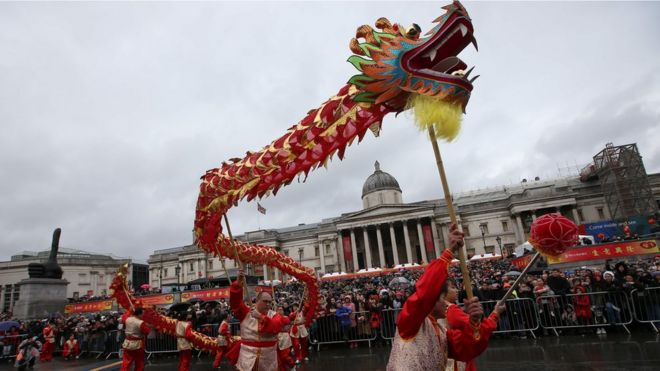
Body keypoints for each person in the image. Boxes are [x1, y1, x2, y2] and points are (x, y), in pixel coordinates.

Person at [387, 224, 504, 371]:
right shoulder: (411, 322)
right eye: (443, 298)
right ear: (433, 300)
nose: (446, 303)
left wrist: (474, 321)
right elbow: (425, 294)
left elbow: (467, 348)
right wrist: (449, 252)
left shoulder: (442, 331)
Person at [231, 269, 288, 371]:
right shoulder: (246, 312)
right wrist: (237, 285)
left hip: (268, 361)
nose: (268, 304)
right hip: (247, 360)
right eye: (265, 301)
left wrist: (261, 317)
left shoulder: (275, 315)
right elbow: (235, 304)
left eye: (270, 302)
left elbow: (275, 326)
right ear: (257, 301)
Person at [277, 307, 295, 371]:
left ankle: (292, 365)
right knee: (278, 359)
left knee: (285, 356)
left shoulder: (286, 317)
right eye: (278, 310)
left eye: (281, 309)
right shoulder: (273, 317)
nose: (280, 311)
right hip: (275, 338)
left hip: (284, 338)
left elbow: (287, 324)